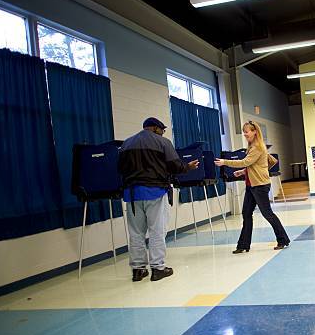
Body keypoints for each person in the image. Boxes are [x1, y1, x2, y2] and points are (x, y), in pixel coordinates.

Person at [118, 117, 198, 282]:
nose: (163, 133)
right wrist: (188, 167)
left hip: (132, 194)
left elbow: (119, 168)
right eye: (162, 130)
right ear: (155, 128)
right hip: (155, 192)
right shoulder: (163, 142)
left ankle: (138, 270)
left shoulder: (126, 143)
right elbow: (175, 166)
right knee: (157, 231)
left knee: (136, 233)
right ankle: (158, 268)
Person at [214, 120, 290, 254]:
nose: (244, 134)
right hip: (252, 185)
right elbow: (257, 164)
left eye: (246, 131)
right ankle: (243, 245)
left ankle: (283, 240)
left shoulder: (258, 147)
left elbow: (245, 162)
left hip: (260, 186)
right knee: (246, 213)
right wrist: (244, 172)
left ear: (254, 132)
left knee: (267, 214)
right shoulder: (253, 146)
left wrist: (225, 162)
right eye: (243, 132)